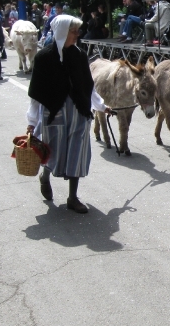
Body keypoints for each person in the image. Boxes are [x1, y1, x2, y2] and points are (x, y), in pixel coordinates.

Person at [26, 15, 112, 213]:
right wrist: (31, 120)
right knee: (53, 151)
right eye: (73, 31)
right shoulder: (44, 58)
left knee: (77, 153)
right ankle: (45, 176)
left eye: (77, 31)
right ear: (62, 32)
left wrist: (101, 106)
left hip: (79, 111)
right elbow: (36, 93)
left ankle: (73, 197)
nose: (77, 35)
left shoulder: (80, 55)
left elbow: (88, 87)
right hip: (54, 112)